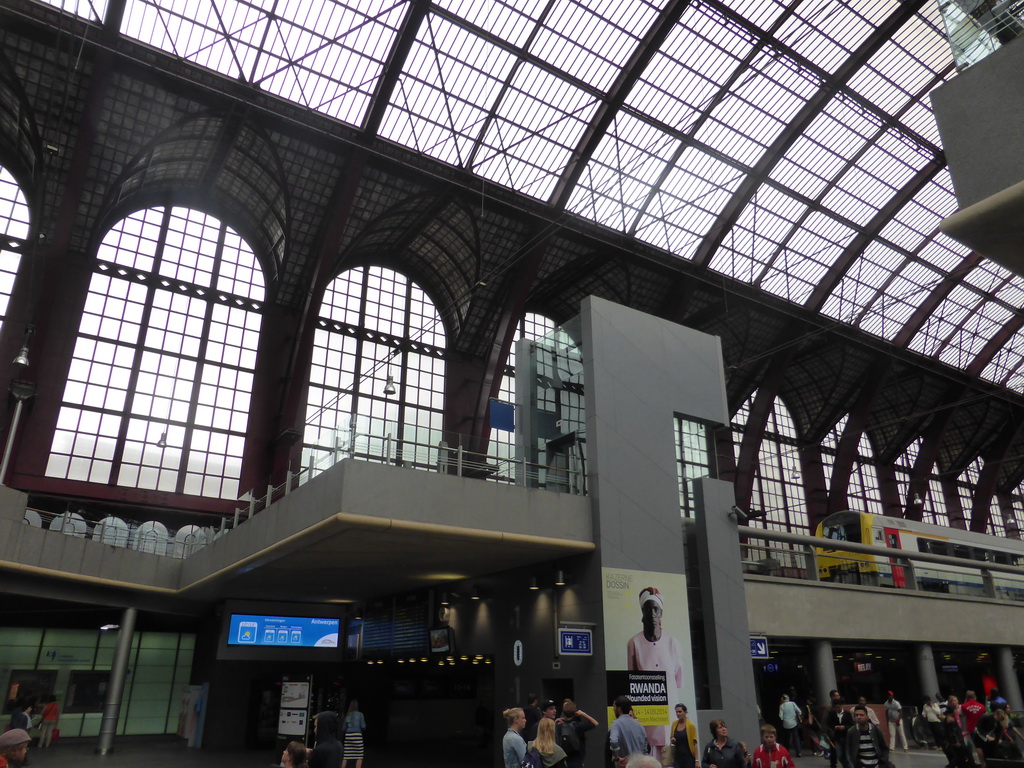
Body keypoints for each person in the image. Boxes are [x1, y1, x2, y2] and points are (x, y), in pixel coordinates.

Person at [628, 587, 686, 761]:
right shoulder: (634, 642)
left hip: (669, 713)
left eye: (656, 609)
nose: (652, 613)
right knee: (648, 759)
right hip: (647, 714)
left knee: (668, 758)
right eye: (648, 609)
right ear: (642, 612)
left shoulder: (673, 642)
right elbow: (632, 678)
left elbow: (678, 678)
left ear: (661, 613)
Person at [610, 696, 649, 768]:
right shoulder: (639, 726)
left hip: (625, 764)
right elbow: (645, 749)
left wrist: (617, 758)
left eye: (614, 707)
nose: (613, 709)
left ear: (619, 708)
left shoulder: (616, 724)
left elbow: (613, 741)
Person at [558, 699, 597, 768]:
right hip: (578, 757)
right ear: (575, 712)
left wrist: (556, 722)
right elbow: (595, 723)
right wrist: (583, 714)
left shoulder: (560, 726)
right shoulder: (578, 726)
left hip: (565, 757)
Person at [826, 698, 854, 768]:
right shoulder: (832, 714)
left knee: (846, 754)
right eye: (836, 707)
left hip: (846, 737)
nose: (837, 709)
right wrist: (835, 727)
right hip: (837, 737)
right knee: (839, 755)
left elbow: (851, 725)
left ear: (841, 706)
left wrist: (844, 727)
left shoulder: (847, 714)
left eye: (838, 707)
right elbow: (829, 724)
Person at [671, 703, 699, 768]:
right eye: (676, 712)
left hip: (688, 757)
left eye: (680, 712)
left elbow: (695, 743)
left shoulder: (690, 725)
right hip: (677, 757)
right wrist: (672, 739)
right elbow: (672, 737)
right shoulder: (674, 724)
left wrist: (696, 760)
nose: (678, 714)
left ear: (685, 712)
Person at [341, 699, 366, 768]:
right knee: (359, 755)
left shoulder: (348, 715)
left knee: (346, 755)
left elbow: (343, 728)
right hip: (357, 736)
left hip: (348, 736)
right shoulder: (360, 714)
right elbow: (363, 726)